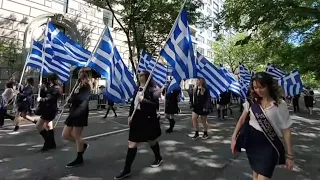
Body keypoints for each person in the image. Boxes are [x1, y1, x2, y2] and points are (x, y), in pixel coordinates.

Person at [231, 72, 294, 180]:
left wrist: (290, 155)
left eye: (261, 87)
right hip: (253, 143)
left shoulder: (279, 104)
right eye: (255, 87)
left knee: (263, 177)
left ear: (269, 86)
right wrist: (233, 138)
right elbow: (241, 120)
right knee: (255, 175)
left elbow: (286, 129)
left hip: (270, 145)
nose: (258, 91)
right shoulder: (251, 101)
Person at [114, 70, 162, 180]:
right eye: (139, 75)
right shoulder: (137, 88)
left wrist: (144, 100)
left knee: (151, 140)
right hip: (137, 117)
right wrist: (129, 116)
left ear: (146, 77)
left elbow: (155, 105)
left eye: (141, 75)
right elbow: (133, 104)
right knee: (132, 143)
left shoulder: (153, 89)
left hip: (148, 119)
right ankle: (127, 170)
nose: (139, 76)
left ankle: (158, 157)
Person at [62, 67, 92, 167]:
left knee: (77, 135)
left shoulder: (87, 85)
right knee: (65, 134)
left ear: (86, 74)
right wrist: (69, 99)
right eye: (79, 72)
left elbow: (80, 98)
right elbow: (74, 96)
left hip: (80, 112)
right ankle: (83, 145)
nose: (79, 73)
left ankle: (79, 158)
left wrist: (70, 99)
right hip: (73, 112)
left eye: (82, 72)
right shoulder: (78, 84)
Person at [34, 73, 62, 151]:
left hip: (50, 109)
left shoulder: (56, 88)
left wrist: (41, 99)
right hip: (48, 109)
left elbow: (51, 99)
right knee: (49, 126)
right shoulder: (51, 87)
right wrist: (42, 89)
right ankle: (52, 143)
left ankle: (48, 142)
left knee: (38, 126)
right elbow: (45, 94)